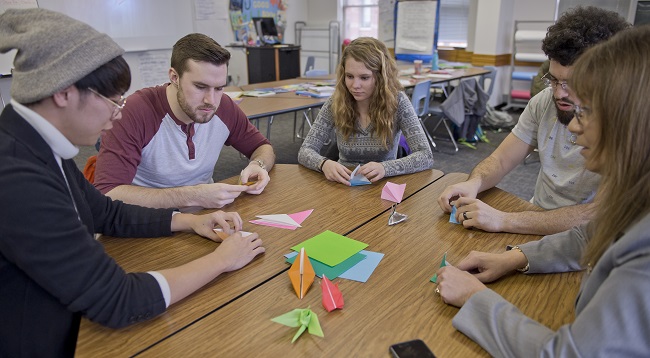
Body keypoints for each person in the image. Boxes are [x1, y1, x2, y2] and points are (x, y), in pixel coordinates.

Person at [0, 9, 265, 357]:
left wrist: (191, 221)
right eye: (112, 100)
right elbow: (117, 299)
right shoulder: (17, 178)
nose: (118, 113)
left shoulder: (43, 147)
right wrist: (221, 260)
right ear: (63, 93)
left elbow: (107, 213)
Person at [436, 25, 650, 356]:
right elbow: (590, 235)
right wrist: (514, 258)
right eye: (555, 81)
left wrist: (474, 298)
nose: (575, 127)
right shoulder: (637, 199)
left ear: (631, 121)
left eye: (586, 111)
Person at [437, 7, 629, 235]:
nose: (559, 94)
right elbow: (500, 160)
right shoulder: (544, 101)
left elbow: (597, 215)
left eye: (572, 83)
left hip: (585, 238)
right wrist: (474, 183)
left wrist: (505, 220)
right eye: (554, 80)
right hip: (535, 217)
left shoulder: (627, 124)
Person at [94, 33, 275, 210]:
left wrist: (258, 165)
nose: (211, 100)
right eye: (200, 87)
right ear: (174, 77)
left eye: (219, 88)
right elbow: (108, 192)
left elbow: (263, 147)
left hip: (205, 213)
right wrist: (193, 196)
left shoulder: (224, 106)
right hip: (146, 218)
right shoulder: (135, 112)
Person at [297, 37, 434, 185]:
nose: (355, 85)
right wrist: (324, 164)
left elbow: (426, 156)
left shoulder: (397, 102)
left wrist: (385, 168)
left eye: (364, 77)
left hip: (383, 184)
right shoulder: (336, 102)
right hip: (344, 183)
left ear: (381, 77)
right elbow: (305, 151)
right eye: (349, 76)